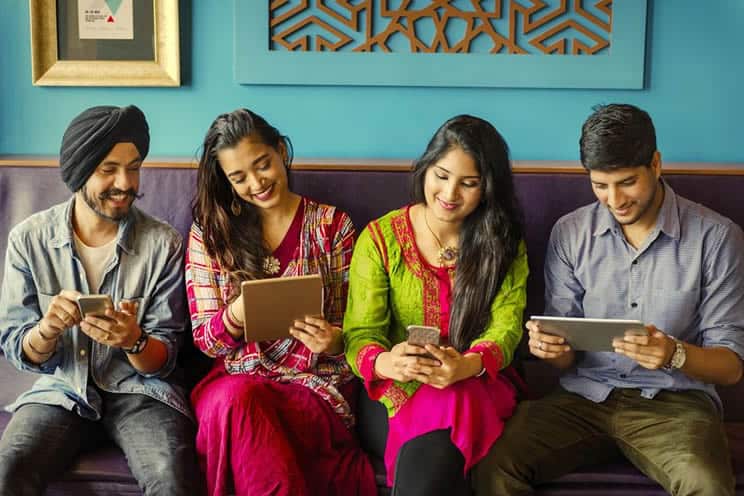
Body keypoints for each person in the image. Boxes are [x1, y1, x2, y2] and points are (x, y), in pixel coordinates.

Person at [474, 103, 744, 496]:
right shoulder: (570, 233)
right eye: (600, 185)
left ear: (655, 163)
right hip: (582, 397)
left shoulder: (717, 238)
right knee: (492, 465)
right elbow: (566, 355)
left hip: (675, 403)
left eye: (626, 182)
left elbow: (731, 366)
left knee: (706, 483)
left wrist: (673, 353)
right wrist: (551, 349)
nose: (614, 200)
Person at [0, 105, 202, 495]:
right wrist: (46, 330)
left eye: (134, 166)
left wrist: (134, 340)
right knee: (8, 469)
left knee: (171, 476)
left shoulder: (164, 245)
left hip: (141, 393)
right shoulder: (28, 240)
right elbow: (16, 346)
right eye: (109, 169)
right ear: (79, 171)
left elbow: (166, 357)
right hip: (61, 390)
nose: (125, 182)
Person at [186, 108, 377, 496]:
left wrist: (334, 340)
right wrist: (238, 312)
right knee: (240, 401)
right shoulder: (211, 234)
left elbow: (356, 333)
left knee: (246, 412)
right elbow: (206, 341)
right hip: (236, 383)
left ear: (281, 150)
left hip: (314, 387)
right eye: (238, 178)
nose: (256, 183)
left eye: (263, 165)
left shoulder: (331, 226)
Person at [344, 114, 529, 495]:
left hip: (477, 381)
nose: (449, 194)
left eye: (469, 183)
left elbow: (506, 327)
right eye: (441, 176)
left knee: (449, 422)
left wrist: (467, 365)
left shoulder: (503, 243)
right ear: (425, 168)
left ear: (488, 188)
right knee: (437, 450)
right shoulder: (380, 239)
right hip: (393, 390)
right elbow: (360, 334)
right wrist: (387, 361)